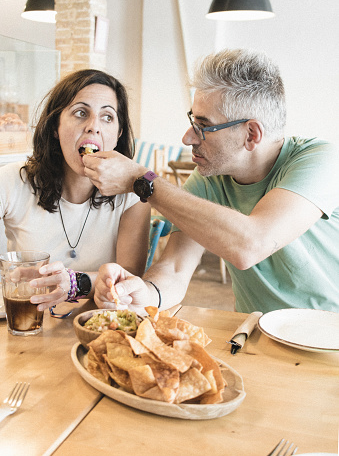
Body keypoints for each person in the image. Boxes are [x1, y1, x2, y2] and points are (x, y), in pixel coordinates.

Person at [82, 49, 339, 315]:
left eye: (203, 126)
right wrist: (143, 294)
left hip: (328, 340)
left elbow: (250, 244)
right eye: (192, 120)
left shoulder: (321, 161)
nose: (188, 137)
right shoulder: (210, 178)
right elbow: (174, 269)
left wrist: (142, 180)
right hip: (255, 336)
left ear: (251, 134)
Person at [0, 69, 150, 312]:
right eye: (81, 113)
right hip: (27, 321)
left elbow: (128, 278)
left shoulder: (133, 195)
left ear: (118, 134)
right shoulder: (11, 180)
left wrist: (74, 283)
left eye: (108, 117)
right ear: (55, 127)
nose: (94, 126)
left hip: (95, 325)